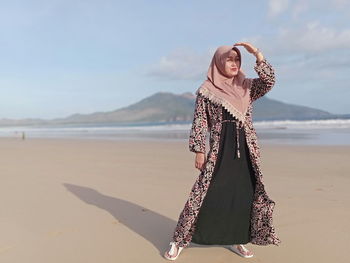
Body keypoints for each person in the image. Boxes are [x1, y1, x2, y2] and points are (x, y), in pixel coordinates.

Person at [164, 42, 281, 260]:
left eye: (237, 59)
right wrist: (199, 150)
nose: (234, 63)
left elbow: (269, 81)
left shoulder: (247, 86)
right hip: (219, 149)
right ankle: (179, 240)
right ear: (219, 62)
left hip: (245, 149)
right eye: (229, 59)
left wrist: (257, 54)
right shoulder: (206, 91)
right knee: (202, 193)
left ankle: (237, 238)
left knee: (242, 195)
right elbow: (200, 121)